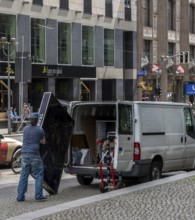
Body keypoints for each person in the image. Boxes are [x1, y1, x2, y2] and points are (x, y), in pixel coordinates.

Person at [16, 112, 47, 202]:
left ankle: (20, 197)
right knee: (39, 174)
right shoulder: (40, 130)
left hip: (25, 153)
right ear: (37, 121)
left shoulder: (25, 129)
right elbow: (43, 142)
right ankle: (38, 196)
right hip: (34, 154)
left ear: (30, 120)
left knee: (24, 175)